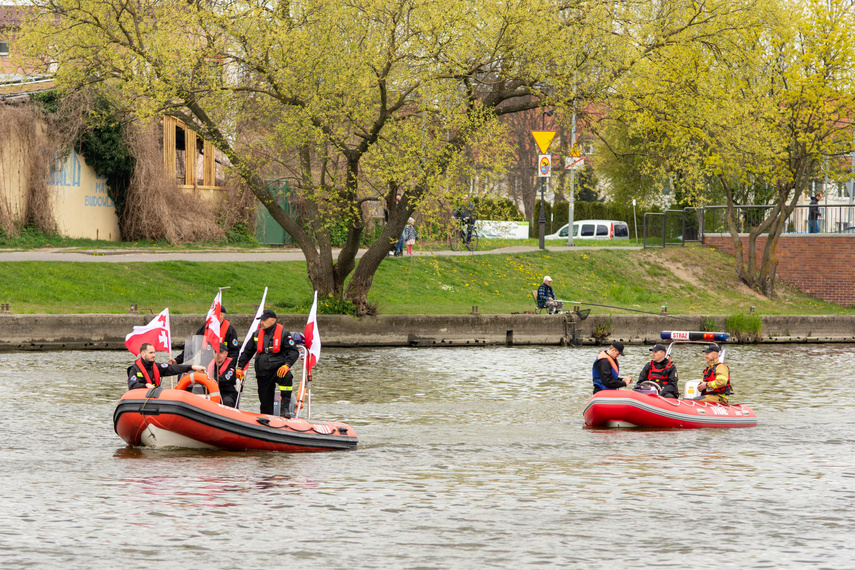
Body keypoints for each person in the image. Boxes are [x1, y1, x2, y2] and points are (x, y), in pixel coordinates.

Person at [237, 309, 300, 416]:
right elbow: (247, 352)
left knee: (287, 376)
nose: (262, 322)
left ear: (273, 320)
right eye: (261, 320)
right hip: (263, 372)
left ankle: (284, 409)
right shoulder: (256, 334)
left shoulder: (284, 334)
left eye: (264, 320)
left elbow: (293, 352)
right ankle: (266, 418)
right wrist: (240, 367)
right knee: (265, 404)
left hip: (278, 369)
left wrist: (287, 365)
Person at [171, 306, 240, 363]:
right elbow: (193, 348)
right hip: (206, 365)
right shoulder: (204, 329)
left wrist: (229, 367)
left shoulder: (230, 331)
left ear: (222, 315)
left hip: (221, 365)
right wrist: (177, 360)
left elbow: (234, 352)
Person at [127, 342, 205, 391]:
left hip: (154, 397)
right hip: (141, 399)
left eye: (154, 352)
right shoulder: (134, 369)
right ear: (143, 354)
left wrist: (192, 367)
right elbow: (132, 385)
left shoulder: (156, 366)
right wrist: (145, 385)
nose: (154, 355)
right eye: (151, 353)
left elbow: (173, 368)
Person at [207, 341, 238, 407]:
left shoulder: (230, 367)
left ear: (226, 354)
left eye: (220, 352)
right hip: (212, 391)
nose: (218, 354)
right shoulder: (210, 365)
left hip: (227, 392)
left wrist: (209, 380)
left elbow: (224, 379)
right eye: (216, 352)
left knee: (227, 401)